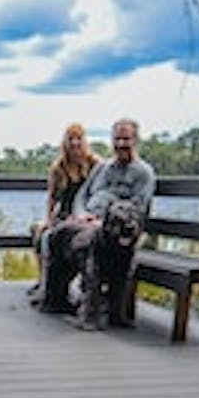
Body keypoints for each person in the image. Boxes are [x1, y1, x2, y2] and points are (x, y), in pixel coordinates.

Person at [38, 118, 156, 317]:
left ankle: (94, 302)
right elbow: (82, 195)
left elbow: (139, 210)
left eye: (126, 139)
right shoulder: (102, 167)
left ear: (136, 140)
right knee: (53, 235)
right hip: (85, 222)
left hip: (112, 230)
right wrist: (81, 215)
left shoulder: (144, 173)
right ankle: (54, 297)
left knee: (86, 246)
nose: (120, 144)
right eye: (117, 139)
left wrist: (103, 223)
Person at [27, 123, 100, 296]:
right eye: (70, 139)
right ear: (65, 142)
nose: (75, 143)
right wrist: (49, 219)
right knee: (39, 231)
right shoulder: (58, 167)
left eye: (78, 138)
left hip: (84, 215)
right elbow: (52, 197)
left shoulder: (94, 163)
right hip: (64, 214)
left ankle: (83, 282)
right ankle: (44, 278)